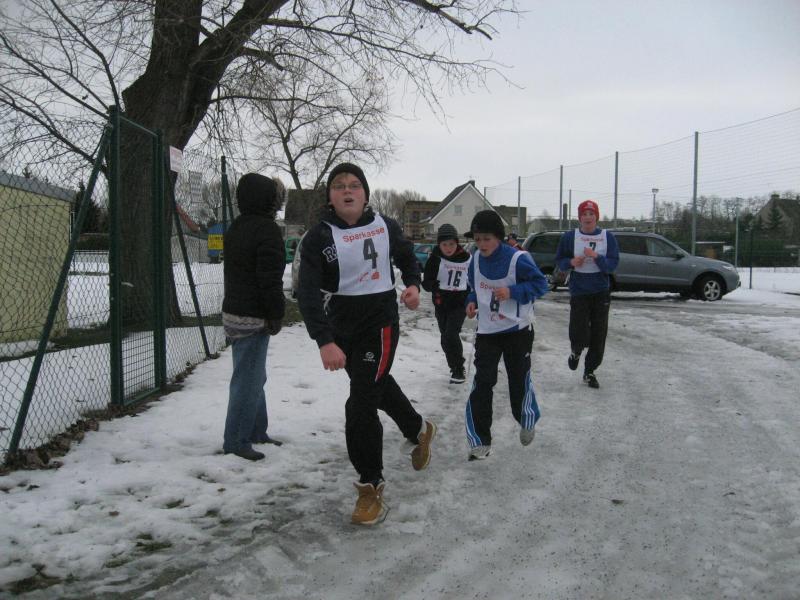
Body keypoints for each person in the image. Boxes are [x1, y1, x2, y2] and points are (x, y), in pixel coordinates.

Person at [296, 162, 436, 525]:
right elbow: (306, 293)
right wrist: (324, 340)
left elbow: (407, 257)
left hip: (380, 326)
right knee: (375, 385)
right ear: (330, 196)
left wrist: (413, 285)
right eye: (339, 185)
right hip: (342, 329)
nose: (347, 190)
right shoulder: (318, 237)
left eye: (354, 185)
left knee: (360, 403)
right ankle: (419, 428)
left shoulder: (385, 226)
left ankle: (370, 486)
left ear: (365, 194)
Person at [463, 210, 549, 460]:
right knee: (483, 382)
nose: (481, 244)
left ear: (498, 238)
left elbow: (540, 285)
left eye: (487, 239)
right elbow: (473, 287)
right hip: (487, 332)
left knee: (518, 380)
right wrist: (471, 301)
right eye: (477, 239)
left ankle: (526, 418)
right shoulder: (475, 259)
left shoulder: (517, 259)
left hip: (517, 331)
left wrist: (512, 292)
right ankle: (480, 440)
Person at [222, 173, 286, 461]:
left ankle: (257, 430)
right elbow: (269, 280)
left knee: (253, 375)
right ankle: (236, 440)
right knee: (247, 381)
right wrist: (275, 315)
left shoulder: (236, 227)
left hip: (233, 313)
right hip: (253, 317)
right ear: (270, 201)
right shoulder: (267, 231)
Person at [555, 199, 619, 389]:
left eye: (591, 214)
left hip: (600, 290)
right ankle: (576, 350)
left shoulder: (607, 237)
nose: (588, 217)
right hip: (579, 290)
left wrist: (597, 257)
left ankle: (590, 371)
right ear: (579, 217)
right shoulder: (570, 237)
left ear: (596, 217)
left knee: (599, 332)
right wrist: (571, 262)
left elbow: (612, 264)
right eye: (584, 214)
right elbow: (560, 259)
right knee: (579, 328)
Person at [422, 223, 471, 384]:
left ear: (457, 243)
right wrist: (433, 285)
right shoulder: (435, 259)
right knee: (445, 338)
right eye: (444, 244)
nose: (448, 248)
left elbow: (472, 280)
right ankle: (453, 366)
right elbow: (426, 282)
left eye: (451, 244)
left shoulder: (466, 258)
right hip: (441, 304)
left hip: (459, 304)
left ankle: (459, 368)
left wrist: (472, 297)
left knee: (451, 334)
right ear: (439, 244)